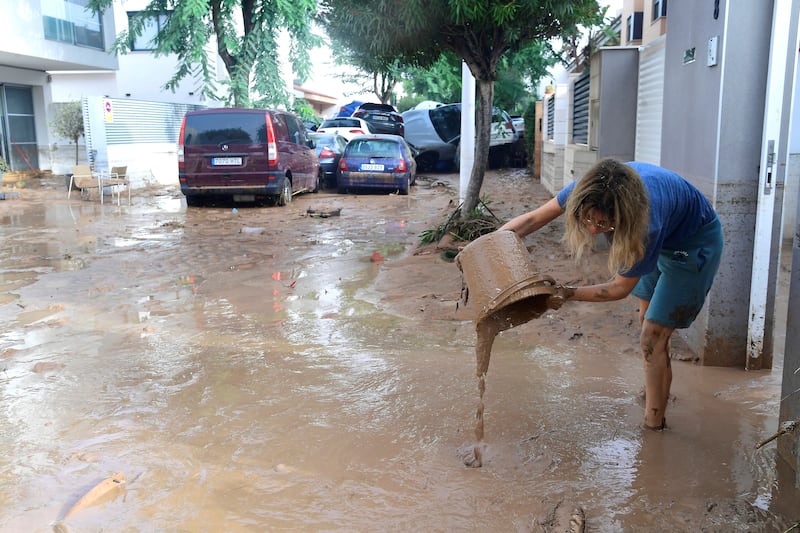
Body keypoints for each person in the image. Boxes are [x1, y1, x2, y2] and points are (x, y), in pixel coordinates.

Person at [499, 158, 723, 431]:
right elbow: (533, 219)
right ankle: (655, 390)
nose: (593, 230)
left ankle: (654, 424)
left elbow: (618, 289)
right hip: (665, 232)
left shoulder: (645, 227)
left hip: (693, 244)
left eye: (603, 223)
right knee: (646, 320)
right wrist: (484, 246)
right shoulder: (588, 189)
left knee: (653, 335)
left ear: (622, 215)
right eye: (588, 219)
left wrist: (562, 293)